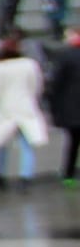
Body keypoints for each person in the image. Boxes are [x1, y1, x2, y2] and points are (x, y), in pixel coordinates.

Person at [0, 36, 50, 191]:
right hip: (25, 106)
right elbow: (37, 86)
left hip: (5, 108)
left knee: (2, 142)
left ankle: (0, 173)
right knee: (26, 143)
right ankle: (25, 175)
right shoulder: (30, 64)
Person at [50, 29, 80, 188]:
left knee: (73, 142)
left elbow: (56, 84)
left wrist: (55, 107)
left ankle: (68, 174)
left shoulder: (64, 57)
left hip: (71, 108)